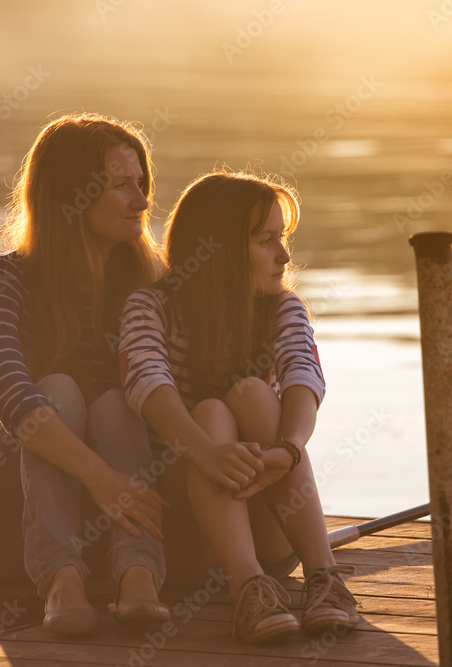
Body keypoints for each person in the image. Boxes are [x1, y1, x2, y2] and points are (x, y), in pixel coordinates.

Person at [0, 113, 170, 637]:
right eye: (120, 186)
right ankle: (61, 581)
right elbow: (12, 399)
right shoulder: (5, 279)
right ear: (72, 194)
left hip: (105, 519)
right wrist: (102, 478)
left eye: (141, 184)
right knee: (57, 390)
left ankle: (137, 573)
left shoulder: (151, 288)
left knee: (115, 402)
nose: (141, 201)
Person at [119, 170, 359, 643]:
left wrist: (287, 451)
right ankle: (246, 586)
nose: (284, 256)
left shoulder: (281, 308)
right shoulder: (151, 307)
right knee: (209, 414)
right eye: (267, 241)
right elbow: (145, 382)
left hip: (271, 523)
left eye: (282, 238)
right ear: (222, 250)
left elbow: (303, 377)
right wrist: (208, 454)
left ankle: (323, 575)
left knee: (252, 392)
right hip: (188, 536)